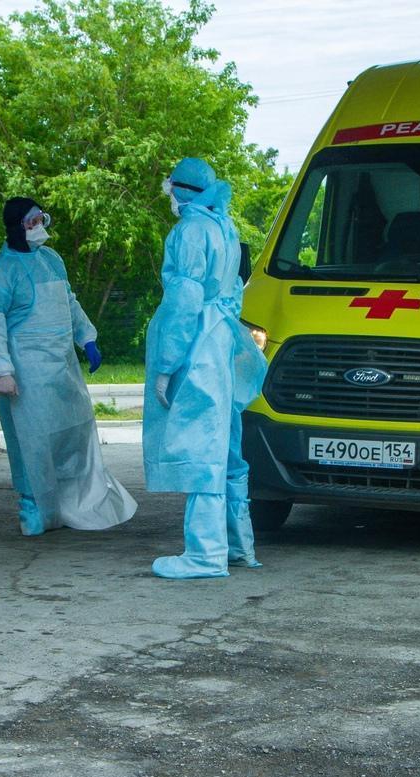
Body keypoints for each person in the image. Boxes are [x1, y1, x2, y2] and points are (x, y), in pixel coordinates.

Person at [0, 197, 136, 536]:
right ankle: (33, 504)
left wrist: (87, 337)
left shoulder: (51, 260)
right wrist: (1, 370)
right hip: (27, 373)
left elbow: (69, 302)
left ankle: (73, 501)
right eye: (32, 222)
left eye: (41, 219)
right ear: (17, 226)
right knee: (32, 442)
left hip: (63, 367)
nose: (39, 227)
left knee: (73, 434)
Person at [144, 158, 269, 579]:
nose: (169, 193)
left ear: (181, 189)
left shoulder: (190, 231)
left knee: (201, 448)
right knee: (226, 445)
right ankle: (238, 545)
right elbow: (233, 292)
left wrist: (166, 365)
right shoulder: (224, 227)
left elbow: (183, 301)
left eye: (171, 186)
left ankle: (204, 554)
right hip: (221, 341)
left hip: (197, 345)